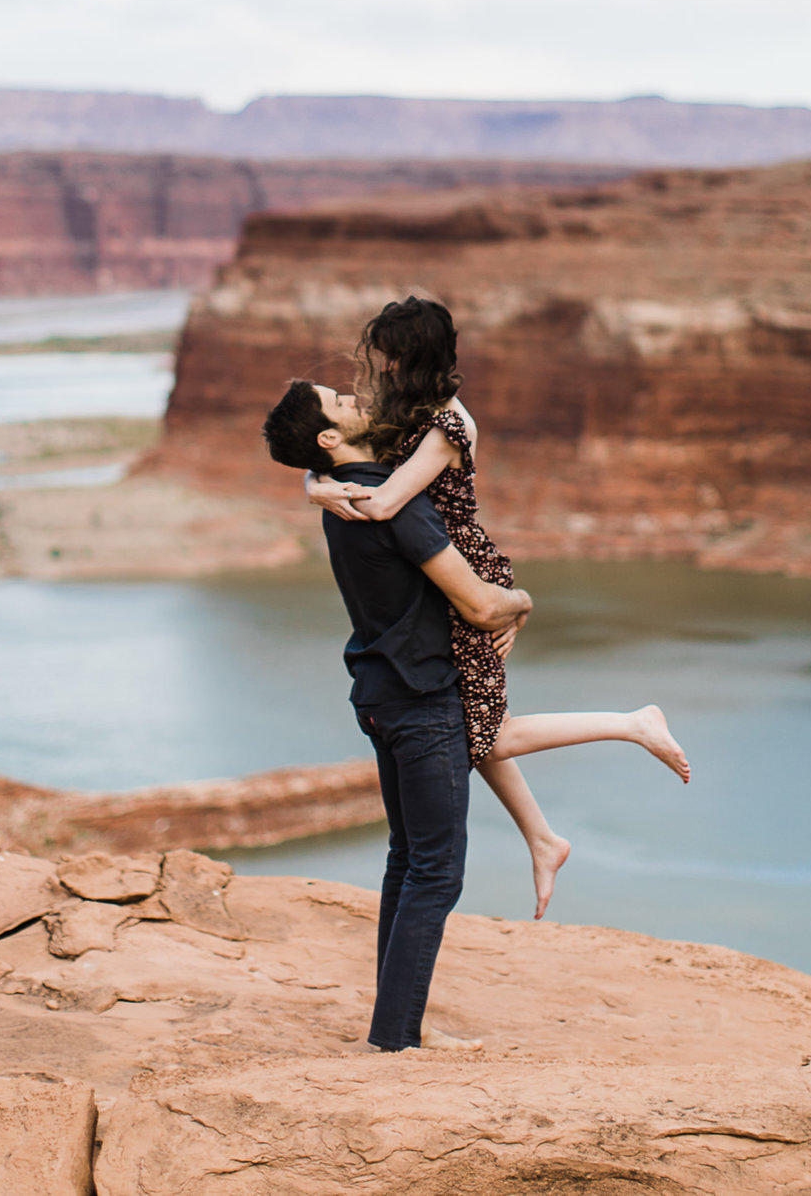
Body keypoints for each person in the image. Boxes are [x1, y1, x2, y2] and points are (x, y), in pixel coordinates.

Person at [305, 296, 691, 920]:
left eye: (387, 356)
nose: (378, 369)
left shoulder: (444, 426)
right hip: (436, 579)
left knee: (486, 733)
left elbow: (383, 502)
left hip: (467, 583)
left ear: (407, 357)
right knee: (469, 729)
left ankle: (633, 725)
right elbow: (339, 454)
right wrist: (315, 482)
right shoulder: (407, 411)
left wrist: (326, 491)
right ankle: (544, 839)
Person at [261, 378, 532, 1051]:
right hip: (421, 699)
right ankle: (394, 1038)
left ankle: (398, 1022)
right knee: (437, 869)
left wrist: (313, 481)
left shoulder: (345, 498)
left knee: (407, 859)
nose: (356, 398)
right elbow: (477, 604)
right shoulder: (392, 504)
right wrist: (521, 598)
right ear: (329, 437)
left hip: (382, 695)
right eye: (341, 402)